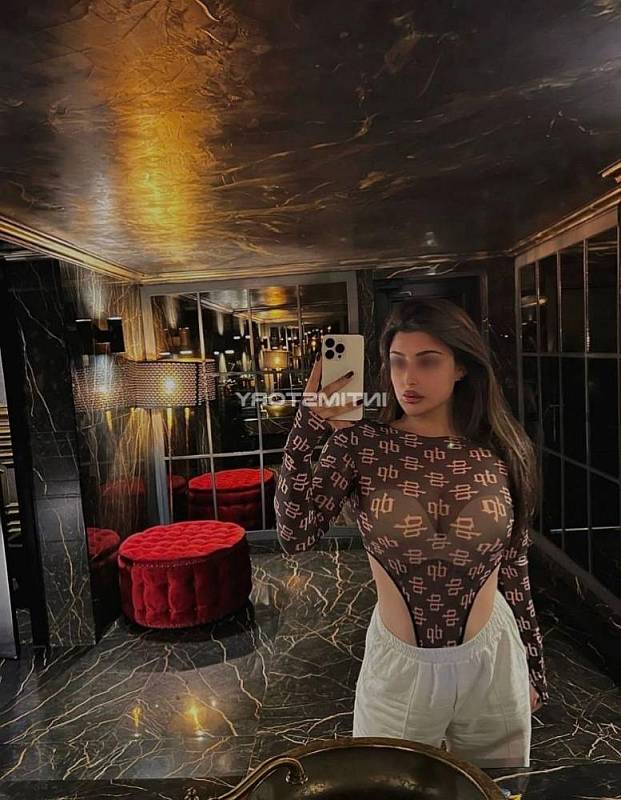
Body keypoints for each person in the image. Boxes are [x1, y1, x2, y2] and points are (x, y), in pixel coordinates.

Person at [274, 298, 550, 769]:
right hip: (400, 668)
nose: (408, 378)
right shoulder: (360, 445)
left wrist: (534, 668)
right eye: (397, 361)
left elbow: (514, 566)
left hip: (492, 660)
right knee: (384, 784)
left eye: (427, 361)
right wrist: (309, 426)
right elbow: (294, 534)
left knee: (497, 790)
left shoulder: (501, 451)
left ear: (461, 367)